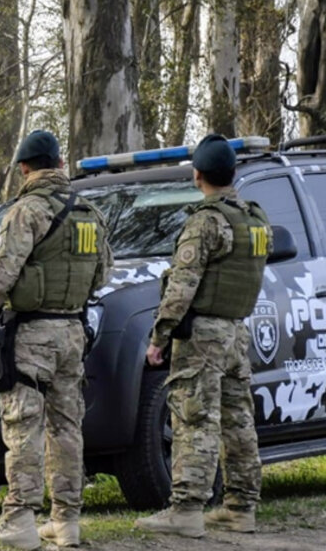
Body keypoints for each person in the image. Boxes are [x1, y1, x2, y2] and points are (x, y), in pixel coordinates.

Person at [0, 129, 113, 550]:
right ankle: (66, 522)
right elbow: (103, 274)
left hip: (30, 333)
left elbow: (1, 275)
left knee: (22, 425)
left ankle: (20, 520)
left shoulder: (26, 212)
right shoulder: (89, 212)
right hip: (72, 332)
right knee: (67, 426)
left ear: (24, 168)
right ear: (60, 164)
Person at [135, 134, 269, 538]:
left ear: (197, 175)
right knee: (238, 420)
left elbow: (181, 288)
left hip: (204, 335)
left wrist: (159, 337)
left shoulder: (206, 221)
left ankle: (187, 509)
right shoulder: (255, 218)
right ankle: (241, 507)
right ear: (232, 172)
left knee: (195, 418)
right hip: (236, 332)